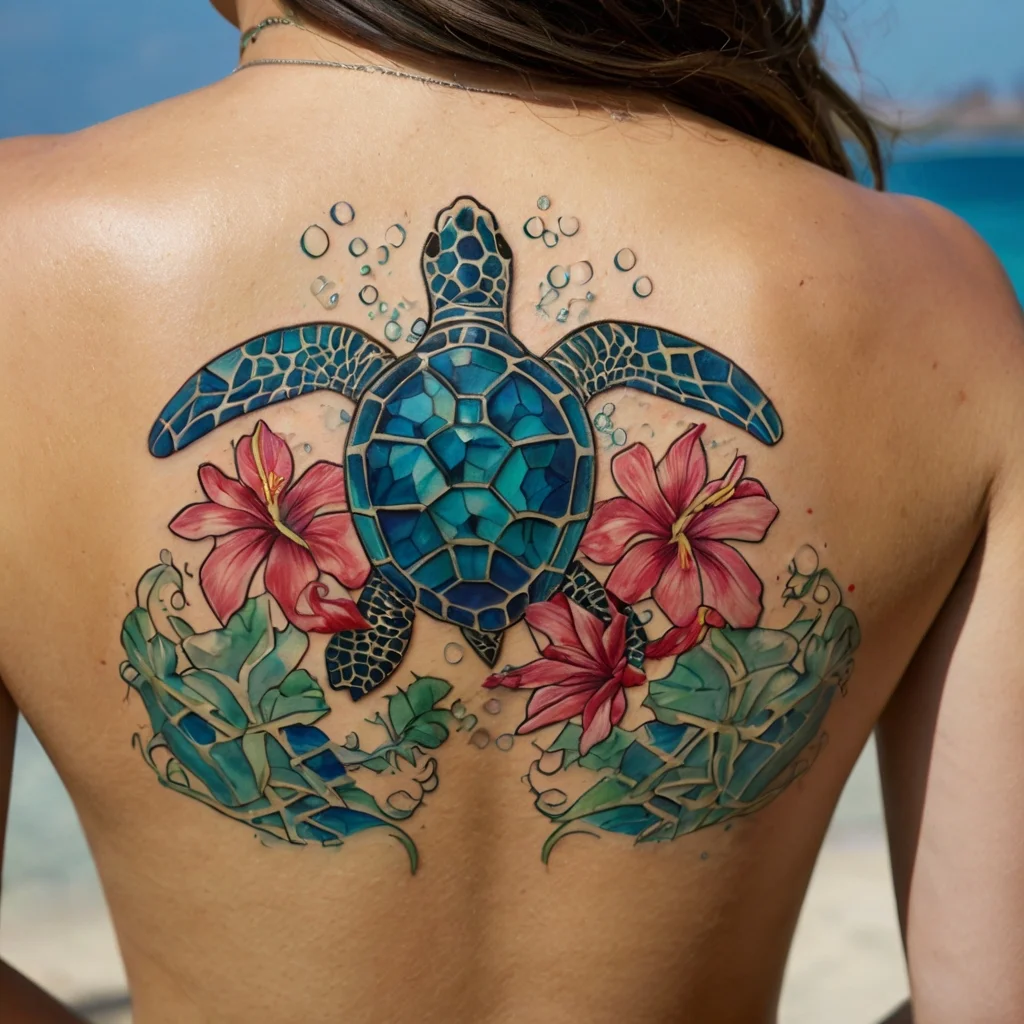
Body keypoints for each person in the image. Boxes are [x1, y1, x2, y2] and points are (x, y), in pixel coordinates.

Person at [0, 2, 1021, 1022]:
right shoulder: (939, 295)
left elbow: (295, 360)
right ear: (481, 281)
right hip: (545, 553)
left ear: (448, 284)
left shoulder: (21, 248)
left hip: (405, 566)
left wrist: (196, 413)